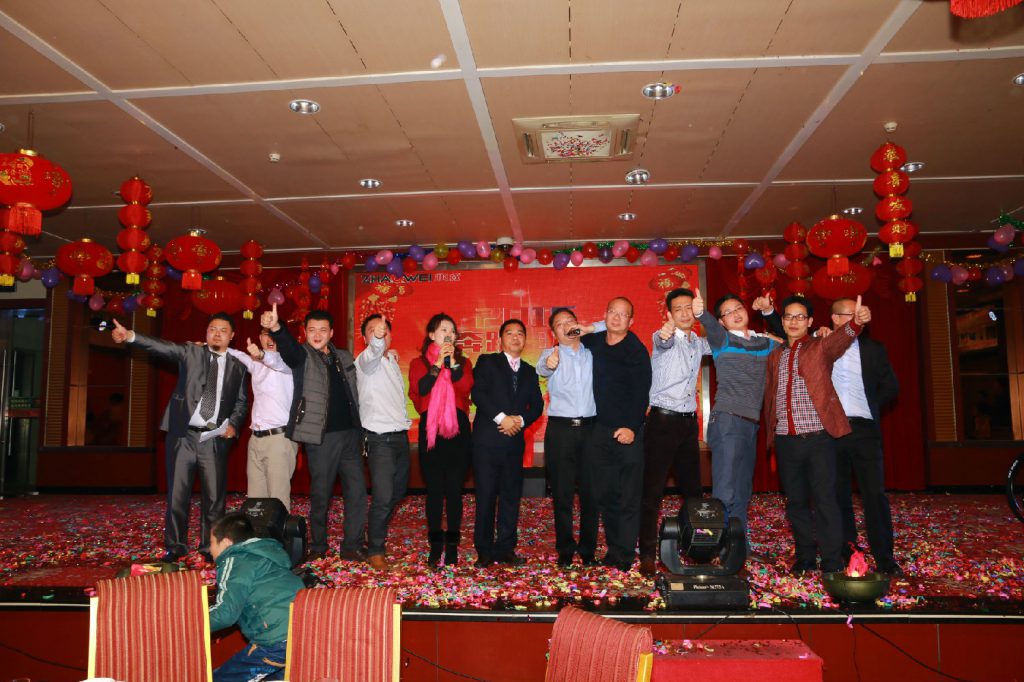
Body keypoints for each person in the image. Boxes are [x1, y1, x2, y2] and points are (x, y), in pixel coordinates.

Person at [111, 314, 249, 563]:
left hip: (213, 439)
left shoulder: (238, 367)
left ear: (232, 336)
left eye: (223, 330)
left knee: (214, 500)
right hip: (183, 436)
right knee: (177, 495)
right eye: (212, 329)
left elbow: (241, 403)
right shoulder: (191, 352)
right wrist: (131, 336)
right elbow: (161, 346)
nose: (217, 333)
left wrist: (234, 424)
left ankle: (210, 547)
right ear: (206, 332)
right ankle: (175, 546)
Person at [763, 295, 871, 574]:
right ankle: (805, 558)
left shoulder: (821, 347)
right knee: (796, 503)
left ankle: (832, 562)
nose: (794, 321)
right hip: (786, 440)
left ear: (810, 321)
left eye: (800, 317)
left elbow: (841, 339)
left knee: (825, 502)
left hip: (819, 439)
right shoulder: (775, 355)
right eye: (789, 316)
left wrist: (856, 324)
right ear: (782, 321)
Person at [262, 305, 363, 563]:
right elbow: (288, 348)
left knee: (357, 493)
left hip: (351, 435)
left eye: (322, 330)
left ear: (331, 333)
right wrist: (277, 328)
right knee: (321, 494)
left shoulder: (344, 356)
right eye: (312, 330)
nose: (317, 335)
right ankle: (318, 545)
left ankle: (352, 546)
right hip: (321, 438)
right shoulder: (302, 355)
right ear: (305, 333)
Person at [692, 290, 779, 561]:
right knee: (725, 491)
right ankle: (716, 550)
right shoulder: (722, 339)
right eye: (727, 313)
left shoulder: (764, 343)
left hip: (751, 425)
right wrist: (700, 312)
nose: (735, 314)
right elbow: (708, 324)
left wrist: (769, 313)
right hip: (727, 420)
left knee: (742, 492)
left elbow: (791, 341)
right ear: (721, 321)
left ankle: (738, 550)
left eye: (738, 308)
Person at [639, 288, 712, 576]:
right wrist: (665, 333)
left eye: (688, 308)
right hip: (662, 422)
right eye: (677, 309)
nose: (684, 313)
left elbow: (726, 341)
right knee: (652, 492)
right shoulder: (662, 339)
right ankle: (647, 554)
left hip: (688, 424)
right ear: (669, 313)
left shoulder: (699, 343)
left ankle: (700, 549)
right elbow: (662, 340)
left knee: (694, 492)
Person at [829, 297, 902, 576]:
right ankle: (848, 553)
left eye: (858, 314)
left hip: (865, 430)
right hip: (832, 430)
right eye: (850, 314)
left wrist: (869, 405)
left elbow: (891, 386)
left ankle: (885, 558)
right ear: (835, 319)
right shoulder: (824, 346)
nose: (856, 318)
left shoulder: (874, 349)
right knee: (839, 496)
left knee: (874, 495)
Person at [578, 297, 652, 572]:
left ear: (631, 321)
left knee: (628, 497)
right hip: (600, 431)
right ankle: (613, 550)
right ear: (605, 314)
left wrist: (632, 427)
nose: (617, 318)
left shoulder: (636, 350)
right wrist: (588, 328)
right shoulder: (595, 342)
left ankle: (625, 555)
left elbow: (642, 393)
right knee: (606, 494)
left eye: (623, 315)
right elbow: (570, 337)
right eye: (613, 312)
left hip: (628, 432)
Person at [471, 319, 544, 567]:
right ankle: (484, 549)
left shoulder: (529, 371)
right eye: (510, 333)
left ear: (525, 340)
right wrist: (502, 418)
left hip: (514, 444)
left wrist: (519, 421)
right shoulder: (487, 362)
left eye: (520, 333)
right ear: (500, 339)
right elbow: (478, 394)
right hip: (487, 443)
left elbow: (537, 405)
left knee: (511, 497)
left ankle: (506, 548)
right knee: (486, 497)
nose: (515, 337)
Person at [408, 313, 474, 567]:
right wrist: (437, 364)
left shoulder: (463, 362)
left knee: (455, 490)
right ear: (432, 334)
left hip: (458, 431)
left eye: (452, 331)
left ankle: (453, 545)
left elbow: (465, 386)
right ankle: (436, 544)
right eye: (443, 329)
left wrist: (452, 362)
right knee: (434, 491)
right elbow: (421, 389)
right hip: (431, 430)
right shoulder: (418, 363)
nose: (449, 334)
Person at [208, 512, 304, 682]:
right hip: (303, 633)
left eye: (211, 543)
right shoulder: (267, 555)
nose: (209, 550)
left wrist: (188, 623)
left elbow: (225, 613)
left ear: (226, 543)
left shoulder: (234, 560)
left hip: (276, 641)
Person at [537, 308, 599, 567]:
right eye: (559, 324)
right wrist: (550, 364)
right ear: (554, 332)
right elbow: (543, 368)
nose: (565, 326)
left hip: (591, 429)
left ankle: (588, 549)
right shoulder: (550, 354)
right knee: (562, 493)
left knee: (591, 493)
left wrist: (590, 328)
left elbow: (611, 326)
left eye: (570, 322)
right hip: (560, 431)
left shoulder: (594, 352)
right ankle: (565, 548)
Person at [356, 313, 412, 571]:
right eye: (373, 331)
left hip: (400, 437)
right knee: (383, 496)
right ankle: (375, 549)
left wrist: (386, 350)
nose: (380, 334)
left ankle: (374, 530)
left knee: (398, 492)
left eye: (385, 331)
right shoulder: (364, 361)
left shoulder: (391, 361)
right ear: (364, 337)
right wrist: (377, 341)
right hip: (379, 440)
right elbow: (373, 353)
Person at [225, 329, 297, 511]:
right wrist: (208, 346)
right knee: (255, 503)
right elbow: (238, 354)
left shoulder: (288, 361)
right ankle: (259, 532)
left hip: (279, 439)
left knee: (278, 501)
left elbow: (274, 360)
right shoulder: (256, 364)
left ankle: (280, 531)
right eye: (265, 334)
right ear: (259, 337)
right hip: (255, 439)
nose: (270, 338)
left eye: (274, 334)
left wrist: (262, 354)